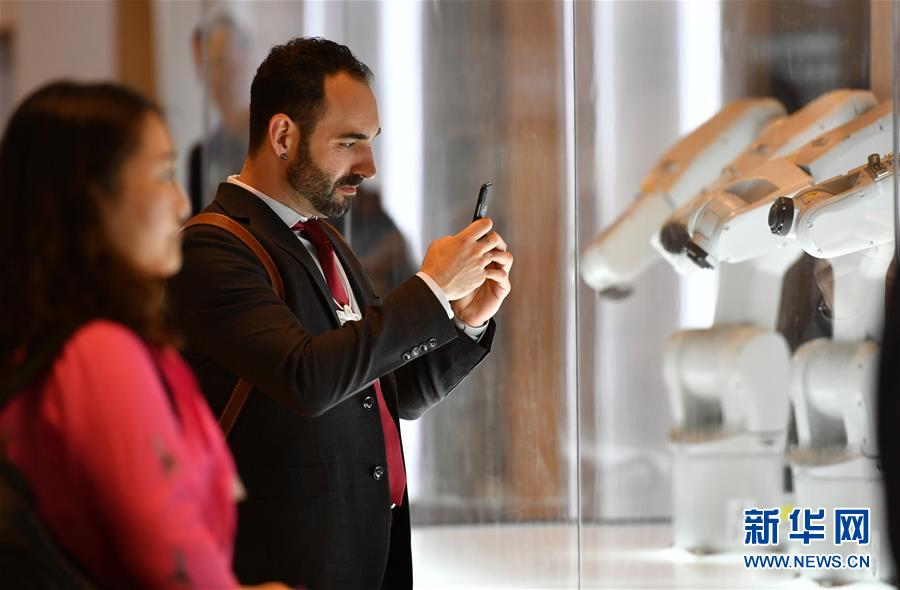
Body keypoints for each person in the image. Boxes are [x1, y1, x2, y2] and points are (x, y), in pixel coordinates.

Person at [166, 37, 513, 589]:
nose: (369, 166)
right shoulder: (213, 247)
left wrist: (462, 320)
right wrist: (430, 290)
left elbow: (387, 396)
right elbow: (305, 377)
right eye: (350, 142)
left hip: (369, 551)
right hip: (285, 566)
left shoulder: (327, 242)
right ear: (283, 136)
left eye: (371, 142)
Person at [0, 81, 288, 590]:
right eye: (163, 174)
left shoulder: (57, 339)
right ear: (89, 199)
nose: (181, 203)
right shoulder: (100, 352)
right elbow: (172, 560)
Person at [188, 14, 252, 214]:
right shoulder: (201, 157)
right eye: (207, 64)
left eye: (221, 60)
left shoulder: (278, 142)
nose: (216, 76)